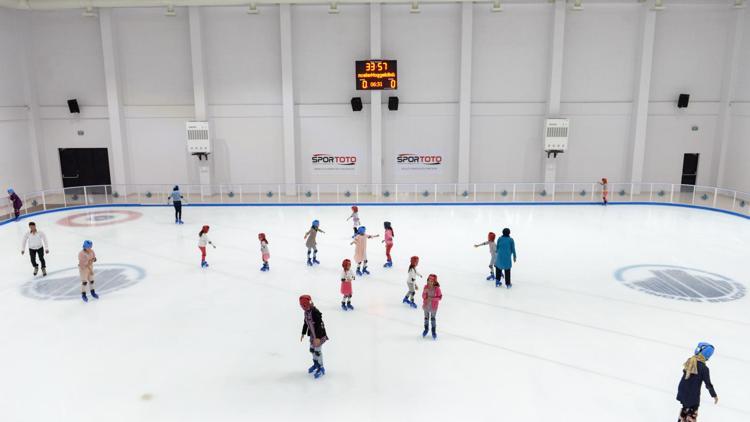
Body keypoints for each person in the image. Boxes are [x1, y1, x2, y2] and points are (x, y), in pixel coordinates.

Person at [677, 342, 719, 422]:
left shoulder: (690, 361)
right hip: (692, 396)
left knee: (684, 411)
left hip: (683, 391)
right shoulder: (704, 368)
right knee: (691, 415)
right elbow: (708, 384)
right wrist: (714, 395)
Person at [299, 295, 328, 379]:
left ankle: (321, 367)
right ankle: (316, 363)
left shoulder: (315, 312)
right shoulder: (306, 312)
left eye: (303, 305)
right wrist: (303, 333)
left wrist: (318, 338)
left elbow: (320, 325)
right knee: (312, 350)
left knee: (318, 352)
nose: (302, 307)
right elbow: (305, 323)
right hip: (312, 336)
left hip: (319, 336)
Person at [421, 274, 442, 340]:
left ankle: (433, 331)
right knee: (426, 318)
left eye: (431, 281)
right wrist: (425, 293)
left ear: (434, 282)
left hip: (433, 307)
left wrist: (432, 299)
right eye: (428, 281)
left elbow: (440, 297)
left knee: (433, 319)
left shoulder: (437, 289)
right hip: (426, 305)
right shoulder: (425, 287)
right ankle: (426, 329)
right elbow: (423, 297)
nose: (429, 282)